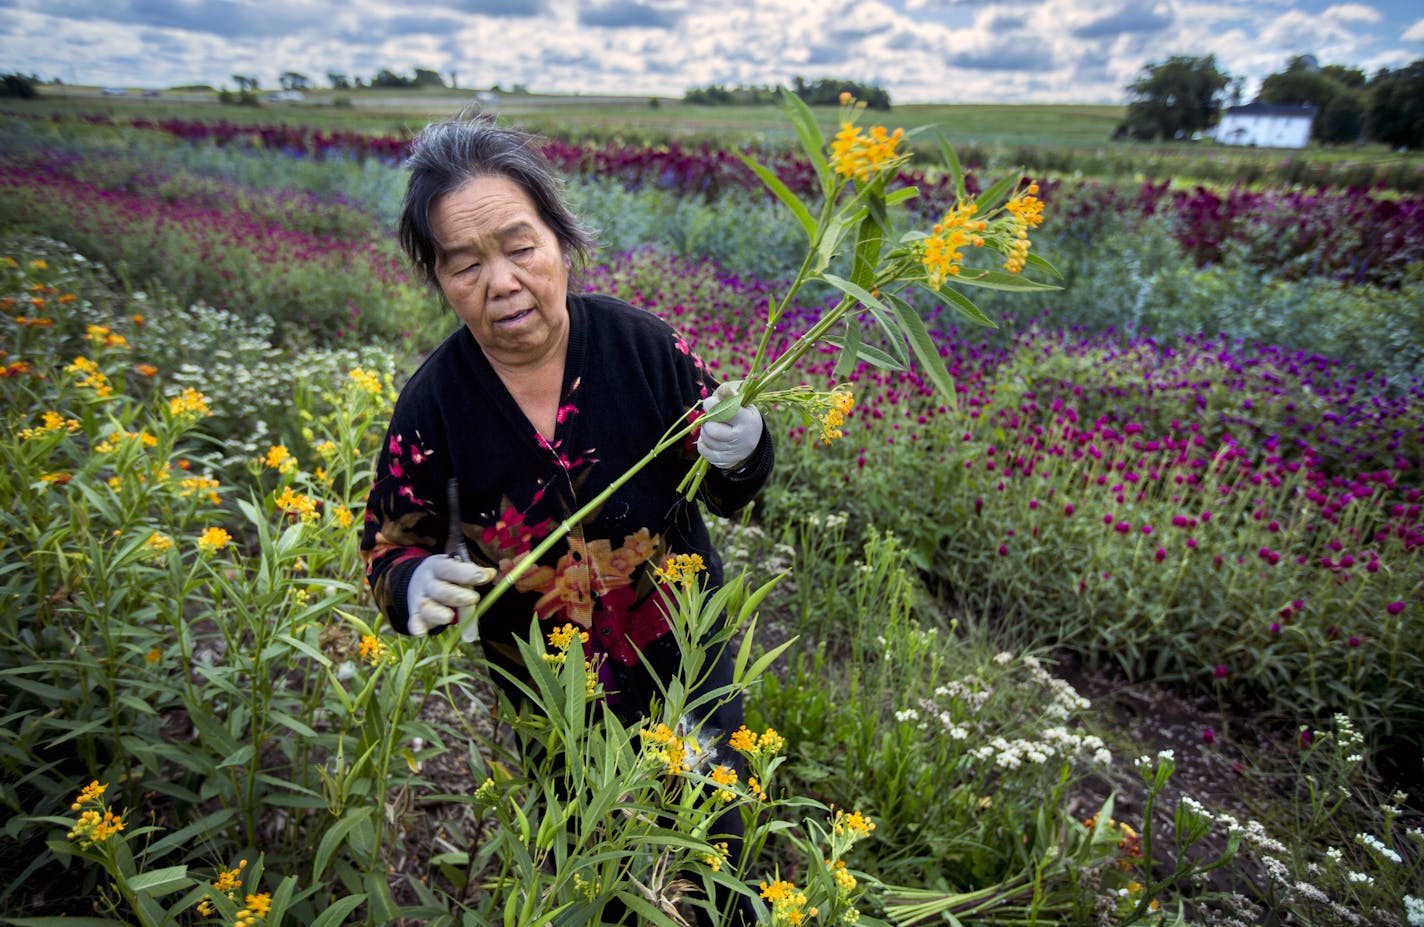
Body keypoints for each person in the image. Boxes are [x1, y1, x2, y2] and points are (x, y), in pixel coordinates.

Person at [359, 117, 772, 924]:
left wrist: (745, 450)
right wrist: (411, 584)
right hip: (553, 696)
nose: (501, 281)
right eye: (465, 263)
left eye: (520, 246)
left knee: (719, 843)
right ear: (439, 278)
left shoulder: (644, 349)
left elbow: (729, 489)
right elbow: (387, 542)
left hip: (684, 657)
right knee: (587, 865)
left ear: (561, 239)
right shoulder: (434, 404)